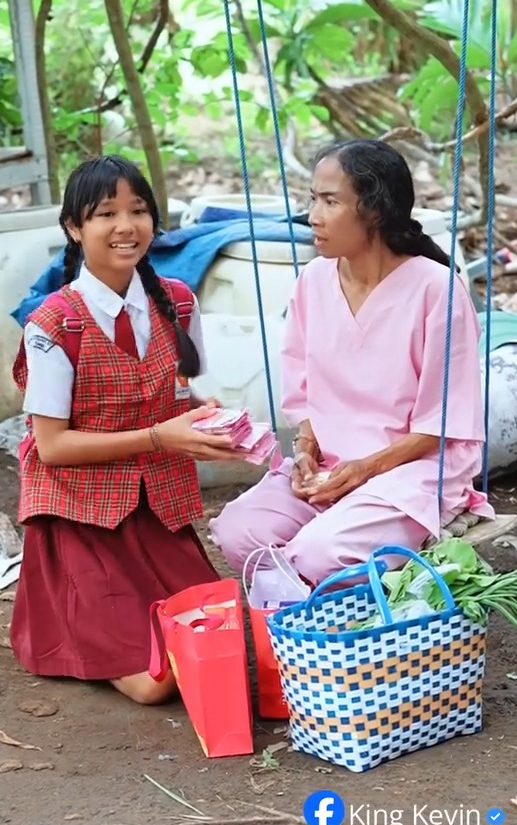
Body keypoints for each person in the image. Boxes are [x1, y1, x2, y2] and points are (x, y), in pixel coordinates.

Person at [11, 155, 243, 705]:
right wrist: (162, 437)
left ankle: (87, 624)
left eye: (138, 211)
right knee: (153, 681)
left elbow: (179, 395)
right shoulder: (52, 324)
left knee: (228, 643)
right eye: (105, 213)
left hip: (158, 509)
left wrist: (217, 423)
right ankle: (70, 620)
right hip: (80, 515)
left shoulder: (179, 302)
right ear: (74, 227)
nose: (125, 227)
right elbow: (53, 446)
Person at [210, 138, 494, 588]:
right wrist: (305, 454)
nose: (313, 216)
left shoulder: (437, 291)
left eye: (330, 201)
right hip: (333, 469)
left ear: (375, 210)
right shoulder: (313, 281)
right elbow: (306, 398)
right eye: (312, 199)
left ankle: (318, 605)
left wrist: (364, 470)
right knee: (238, 532)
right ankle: (311, 613)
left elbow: (440, 426)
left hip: (410, 472)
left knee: (318, 554)